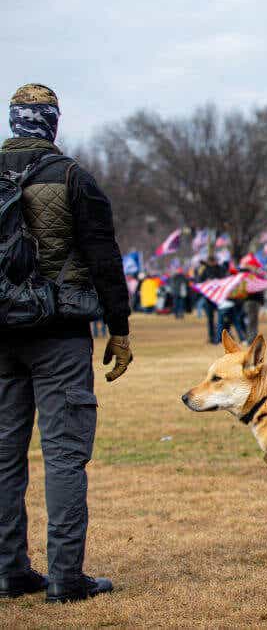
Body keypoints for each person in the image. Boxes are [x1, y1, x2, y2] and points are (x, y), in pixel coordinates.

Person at [0, 84, 132, 602]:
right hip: (59, 333)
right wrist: (119, 329)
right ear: (52, 124)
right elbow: (104, 258)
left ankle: (10, 571)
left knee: (5, 458)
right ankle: (65, 577)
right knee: (63, 456)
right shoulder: (72, 176)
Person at [240, 254, 265, 343]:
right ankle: (251, 339)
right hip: (250, 301)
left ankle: (252, 339)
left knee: (253, 321)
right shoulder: (248, 275)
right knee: (250, 321)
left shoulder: (256, 275)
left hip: (255, 301)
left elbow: (260, 289)